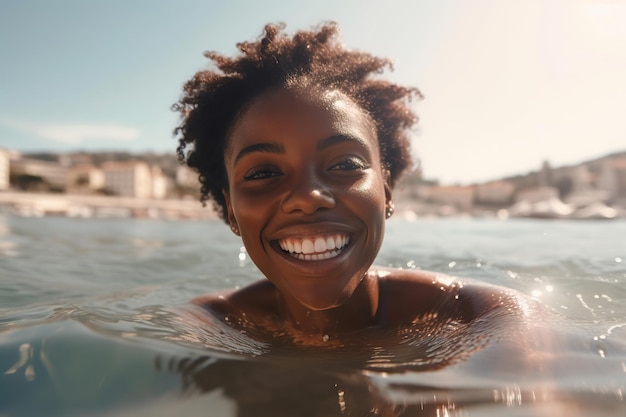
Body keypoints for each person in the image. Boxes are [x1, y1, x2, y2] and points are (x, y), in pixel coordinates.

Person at [174, 22, 525, 345]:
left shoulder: (485, 317)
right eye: (263, 173)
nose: (308, 197)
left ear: (386, 191)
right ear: (232, 212)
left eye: (344, 164)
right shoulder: (209, 325)